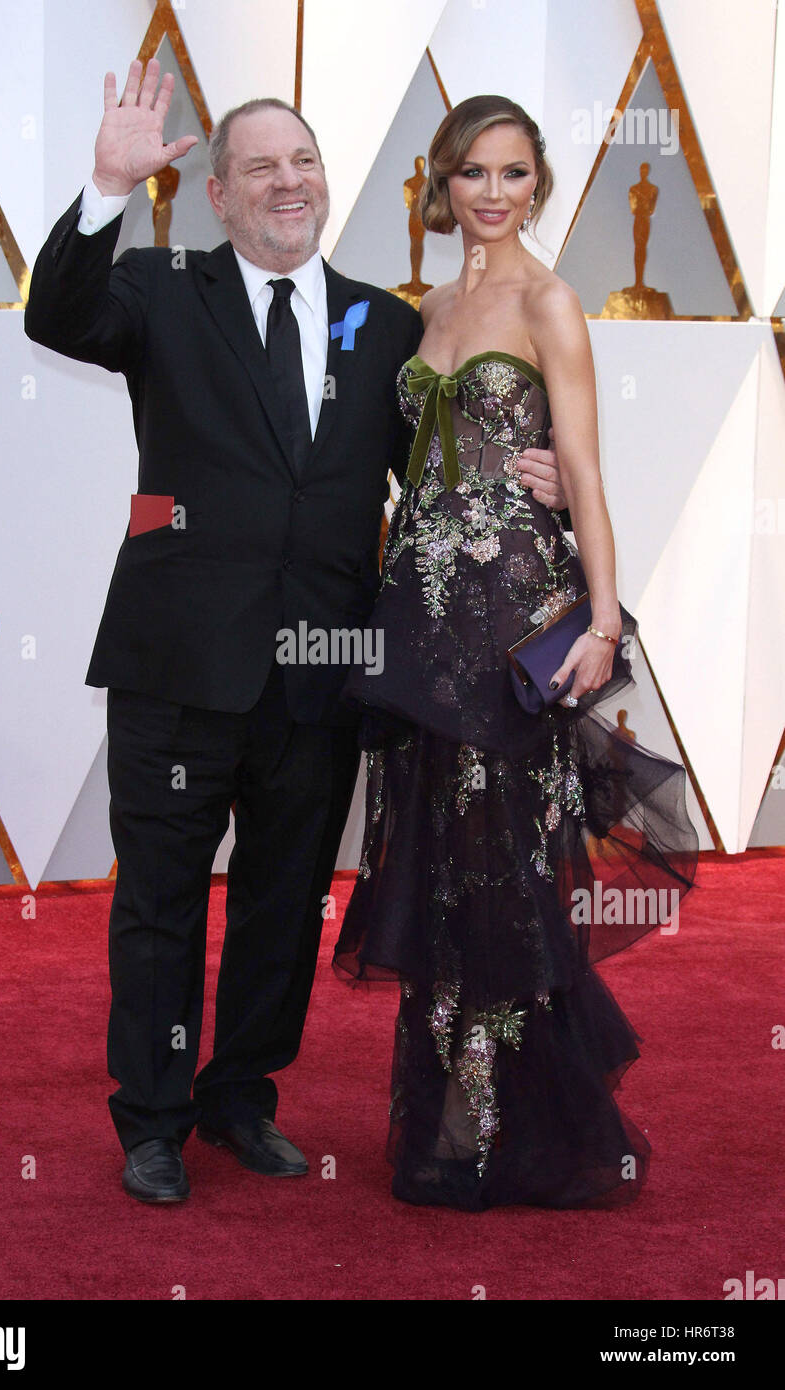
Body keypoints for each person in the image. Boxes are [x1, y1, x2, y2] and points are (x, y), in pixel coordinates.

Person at [24, 62, 566, 1204]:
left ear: (327, 182)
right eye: (260, 165)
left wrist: (542, 480)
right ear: (216, 194)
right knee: (161, 900)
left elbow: (430, 473)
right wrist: (103, 187)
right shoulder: (165, 289)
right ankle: (154, 1120)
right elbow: (61, 315)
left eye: (303, 162)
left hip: (322, 668)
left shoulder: (385, 321)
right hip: (177, 659)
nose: (288, 181)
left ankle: (238, 1097)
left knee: (280, 900)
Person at [333, 95, 698, 1211]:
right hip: (421, 628)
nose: (490, 194)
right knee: (437, 862)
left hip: (512, 622)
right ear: (441, 184)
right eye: (470, 174)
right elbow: (409, 464)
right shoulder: (426, 308)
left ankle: (488, 1120)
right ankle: (454, 1096)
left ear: (536, 184)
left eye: (512, 174)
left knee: (502, 866)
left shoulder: (549, 302)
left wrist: (598, 621)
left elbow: (580, 473)